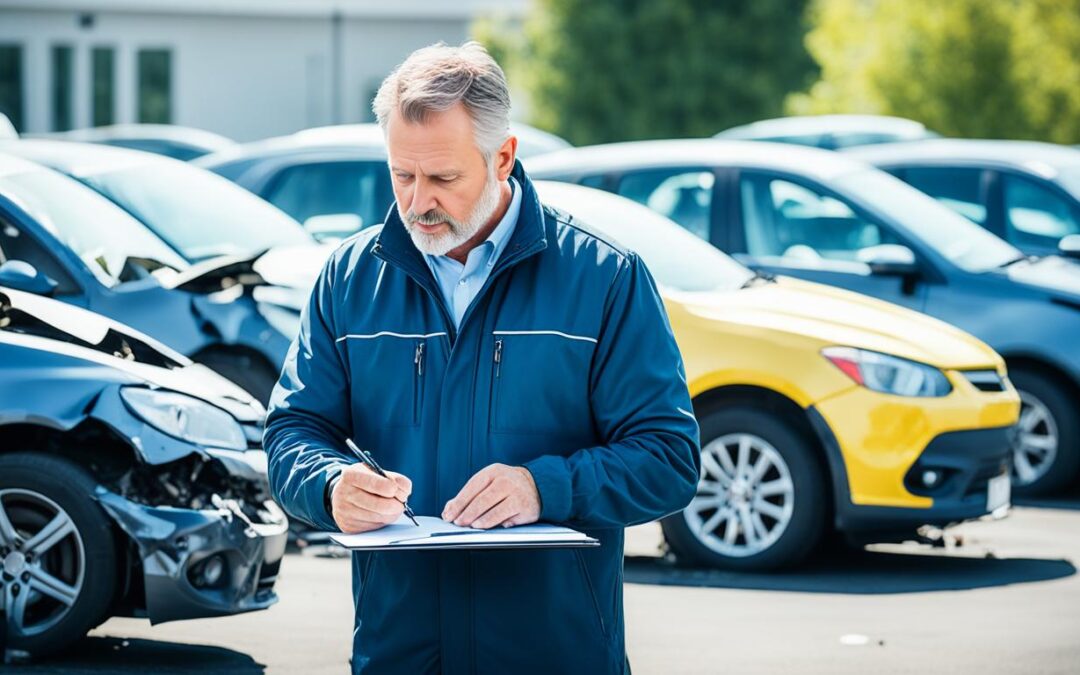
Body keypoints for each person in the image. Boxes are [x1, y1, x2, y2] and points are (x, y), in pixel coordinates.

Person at [263, 41, 700, 675]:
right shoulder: (350, 279)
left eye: (442, 178)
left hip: (555, 655)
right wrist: (328, 485)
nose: (417, 202)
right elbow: (292, 432)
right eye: (401, 176)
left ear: (503, 157)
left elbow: (668, 458)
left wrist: (543, 487)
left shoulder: (605, 278)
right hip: (400, 653)